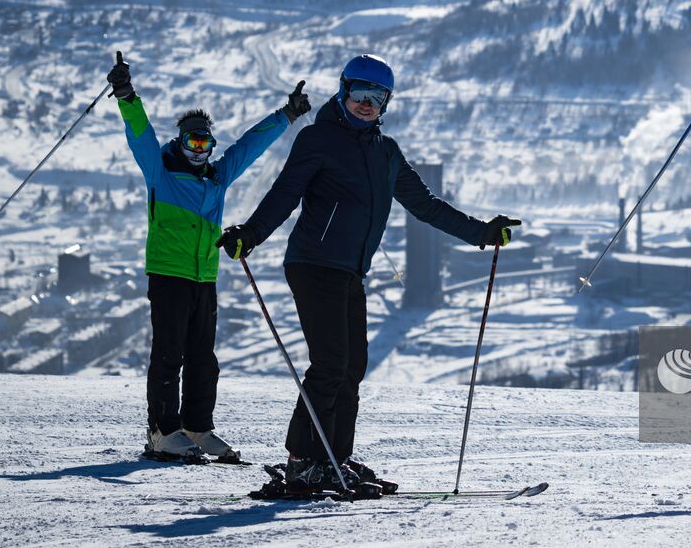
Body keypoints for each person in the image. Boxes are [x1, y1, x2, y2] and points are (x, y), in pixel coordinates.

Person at [218, 53, 520, 492]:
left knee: (352, 366)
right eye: (359, 93)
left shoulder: (387, 152)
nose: (366, 103)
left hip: (349, 271)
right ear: (343, 93)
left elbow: (426, 206)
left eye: (376, 97)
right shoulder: (318, 139)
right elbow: (284, 194)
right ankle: (303, 461)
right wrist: (250, 233)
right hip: (312, 263)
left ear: (386, 103)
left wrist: (483, 233)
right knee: (329, 364)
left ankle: (335, 458)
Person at [108, 50, 309, 462]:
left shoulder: (218, 177)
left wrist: (287, 115)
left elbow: (249, 147)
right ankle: (163, 431)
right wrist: (127, 94)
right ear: (180, 143)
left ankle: (198, 428)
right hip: (169, 274)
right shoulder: (160, 171)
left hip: (205, 276)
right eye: (192, 142)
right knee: (169, 354)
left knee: (204, 358)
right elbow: (140, 134)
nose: (199, 149)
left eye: (205, 143)